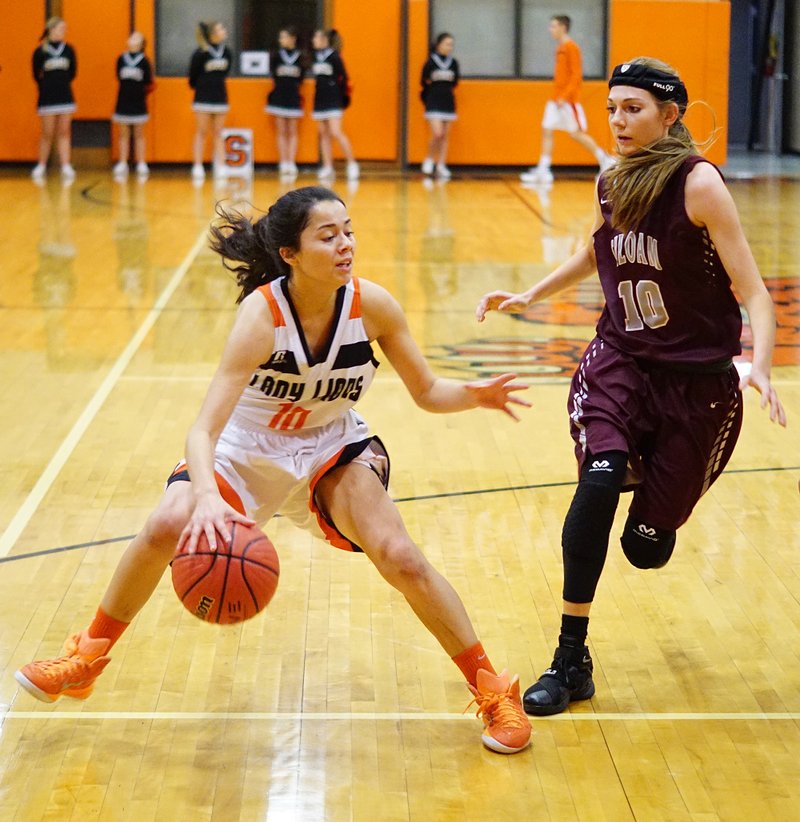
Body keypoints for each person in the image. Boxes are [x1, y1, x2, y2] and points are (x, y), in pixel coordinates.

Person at [15, 185, 533, 755]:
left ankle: (490, 688)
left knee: (401, 556)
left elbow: (429, 391)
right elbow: (204, 431)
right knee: (169, 522)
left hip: (330, 447)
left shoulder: (373, 305)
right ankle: (85, 657)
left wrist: (474, 395)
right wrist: (208, 498)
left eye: (349, 231)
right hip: (245, 447)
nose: (346, 245)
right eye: (328, 235)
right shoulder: (262, 315)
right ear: (290, 253)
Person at [478, 57, 786, 716]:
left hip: (696, 386)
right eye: (612, 107)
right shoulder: (611, 177)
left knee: (645, 548)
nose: (617, 120)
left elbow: (754, 290)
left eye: (633, 108)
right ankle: (571, 658)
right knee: (596, 482)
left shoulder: (699, 185)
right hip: (619, 361)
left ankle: (649, 495)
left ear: (669, 115)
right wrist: (530, 293)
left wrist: (759, 362)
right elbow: (599, 249)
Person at [520, 15, 613, 185]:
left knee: (577, 134)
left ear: (563, 27)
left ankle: (605, 160)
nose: (551, 30)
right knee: (546, 130)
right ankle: (544, 170)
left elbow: (576, 75)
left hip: (567, 101)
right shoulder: (560, 47)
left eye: (553, 26)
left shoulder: (572, 47)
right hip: (555, 99)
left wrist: (565, 96)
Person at [31, 17, 77, 184]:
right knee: (47, 133)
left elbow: (73, 72)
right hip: (47, 97)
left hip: (65, 96)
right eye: (60, 29)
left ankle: (65, 165)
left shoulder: (69, 50)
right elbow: (36, 75)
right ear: (51, 30)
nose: (62, 32)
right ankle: (41, 165)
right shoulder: (40, 52)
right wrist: (46, 86)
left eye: (64, 30)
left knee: (64, 132)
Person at [311, 29, 358, 181]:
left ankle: (352, 164)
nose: (314, 40)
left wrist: (343, 98)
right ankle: (327, 167)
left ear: (324, 40)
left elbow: (345, 78)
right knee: (323, 134)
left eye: (316, 37)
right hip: (319, 99)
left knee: (336, 132)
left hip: (333, 100)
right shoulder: (316, 57)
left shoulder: (335, 57)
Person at [188, 20, 232, 182]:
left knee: (219, 133)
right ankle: (197, 166)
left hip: (220, 96)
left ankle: (220, 166)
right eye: (221, 28)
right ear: (213, 34)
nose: (224, 31)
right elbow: (192, 78)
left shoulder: (227, 52)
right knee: (201, 132)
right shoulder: (200, 53)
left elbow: (225, 72)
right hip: (203, 97)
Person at [112, 31, 154, 182]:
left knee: (139, 134)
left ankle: (141, 163)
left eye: (136, 38)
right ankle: (122, 163)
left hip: (138, 102)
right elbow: (118, 76)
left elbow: (149, 82)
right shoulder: (121, 59)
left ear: (141, 43)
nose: (132, 39)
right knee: (123, 134)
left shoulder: (144, 61)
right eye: (131, 37)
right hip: (123, 100)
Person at [266, 26, 305, 178]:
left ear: (292, 38)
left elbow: (301, 78)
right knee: (281, 131)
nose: (281, 40)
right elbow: (273, 75)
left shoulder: (300, 56)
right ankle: (283, 162)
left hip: (294, 96)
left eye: (284, 37)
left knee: (293, 131)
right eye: (280, 37)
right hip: (278, 96)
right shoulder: (276, 55)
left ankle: (291, 162)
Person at [419, 33, 459, 179]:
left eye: (451, 44)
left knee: (445, 136)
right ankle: (429, 159)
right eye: (447, 44)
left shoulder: (453, 63)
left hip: (448, 101)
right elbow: (423, 81)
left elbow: (455, 82)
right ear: (439, 44)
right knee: (437, 133)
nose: (450, 47)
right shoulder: (430, 62)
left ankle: (441, 164)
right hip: (433, 101)